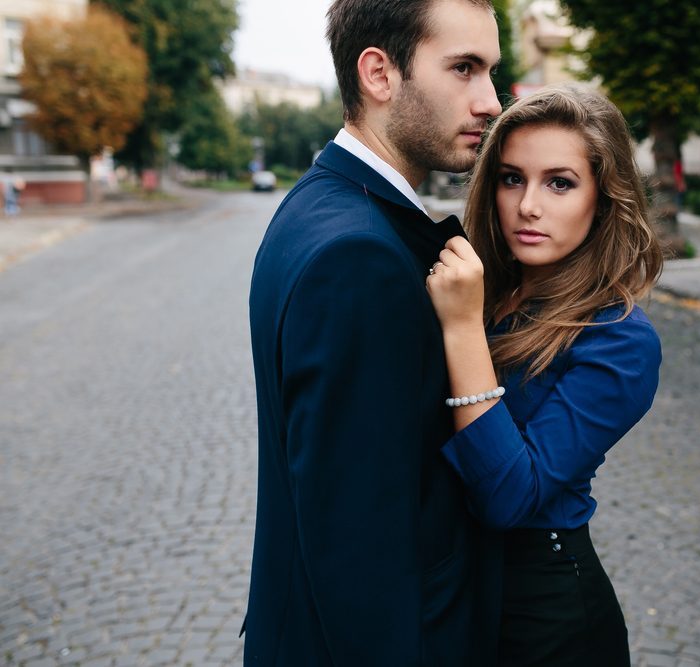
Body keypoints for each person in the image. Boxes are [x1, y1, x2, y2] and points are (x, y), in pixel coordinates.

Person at [242, 1, 503, 664]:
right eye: (464, 69)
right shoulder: (359, 257)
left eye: (490, 72)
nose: (491, 102)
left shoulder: (317, 203)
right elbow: (359, 550)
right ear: (379, 74)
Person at [425, 86, 664, 666]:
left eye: (560, 182)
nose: (528, 205)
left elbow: (510, 497)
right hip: (455, 594)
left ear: (603, 200)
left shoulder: (619, 339)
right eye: (512, 178)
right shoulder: (485, 293)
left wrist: (460, 330)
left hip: (545, 619)